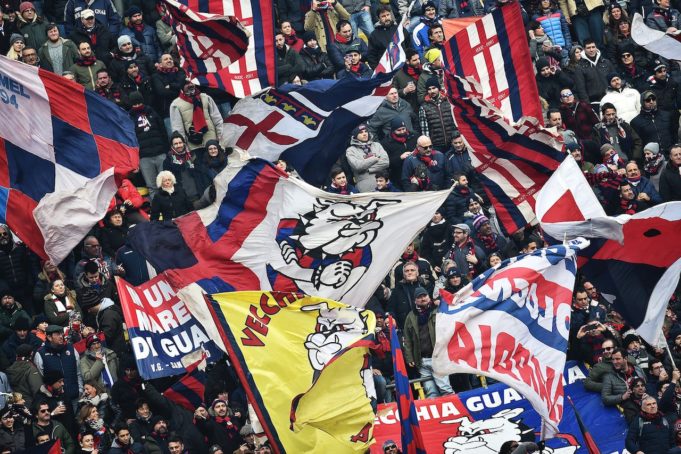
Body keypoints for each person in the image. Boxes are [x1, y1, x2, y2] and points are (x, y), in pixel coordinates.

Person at [403, 286, 454, 397]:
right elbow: (407, 339)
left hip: (438, 357)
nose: (423, 299)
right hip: (421, 361)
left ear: (429, 296)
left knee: (445, 389)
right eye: (419, 297)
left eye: (424, 295)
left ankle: (457, 412)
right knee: (431, 393)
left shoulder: (439, 309)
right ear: (415, 300)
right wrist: (409, 358)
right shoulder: (410, 316)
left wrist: (442, 303)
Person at [169, 82, 224, 155]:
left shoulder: (206, 97)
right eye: (187, 83)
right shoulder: (176, 104)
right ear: (182, 86)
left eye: (192, 82)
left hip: (211, 141)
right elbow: (178, 129)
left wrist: (220, 139)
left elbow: (217, 119)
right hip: (194, 146)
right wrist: (185, 149)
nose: (190, 85)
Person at [345, 124, 390, 192]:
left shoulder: (377, 145)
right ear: (355, 135)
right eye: (361, 132)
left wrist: (369, 169)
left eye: (366, 131)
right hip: (365, 187)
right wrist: (374, 158)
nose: (364, 134)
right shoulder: (350, 150)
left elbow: (386, 162)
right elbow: (358, 166)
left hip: (384, 184)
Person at [631, 90, 676, 156]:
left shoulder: (667, 115)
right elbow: (638, 143)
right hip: (651, 156)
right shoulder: (635, 122)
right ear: (642, 102)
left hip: (670, 153)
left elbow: (674, 134)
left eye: (653, 99)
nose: (651, 102)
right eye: (648, 100)